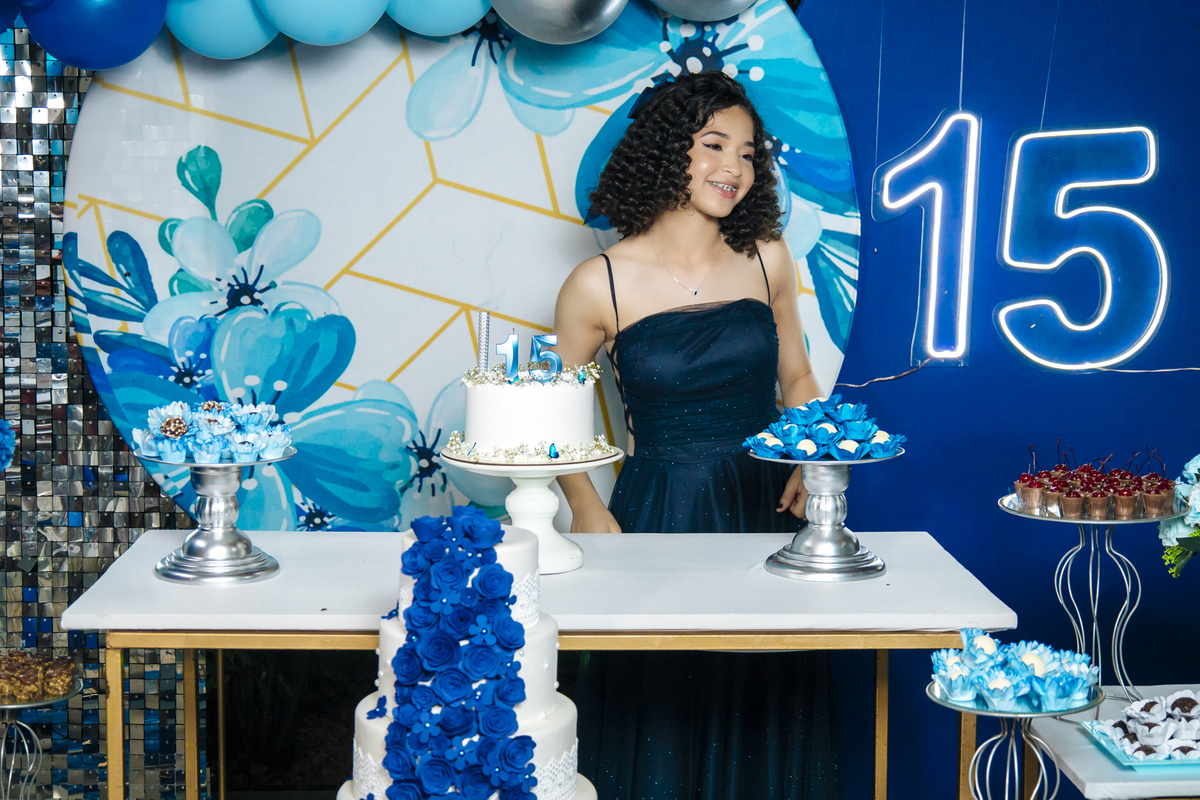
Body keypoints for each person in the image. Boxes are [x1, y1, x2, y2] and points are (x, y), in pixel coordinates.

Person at [551, 72, 840, 800]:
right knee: (662, 700)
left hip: (765, 506)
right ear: (664, 150)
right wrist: (585, 505)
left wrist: (813, 454)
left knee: (765, 695)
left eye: (747, 153)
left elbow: (798, 375)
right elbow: (551, 414)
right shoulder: (596, 283)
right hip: (660, 512)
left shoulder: (768, 256)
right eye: (714, 144)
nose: (734, 167)